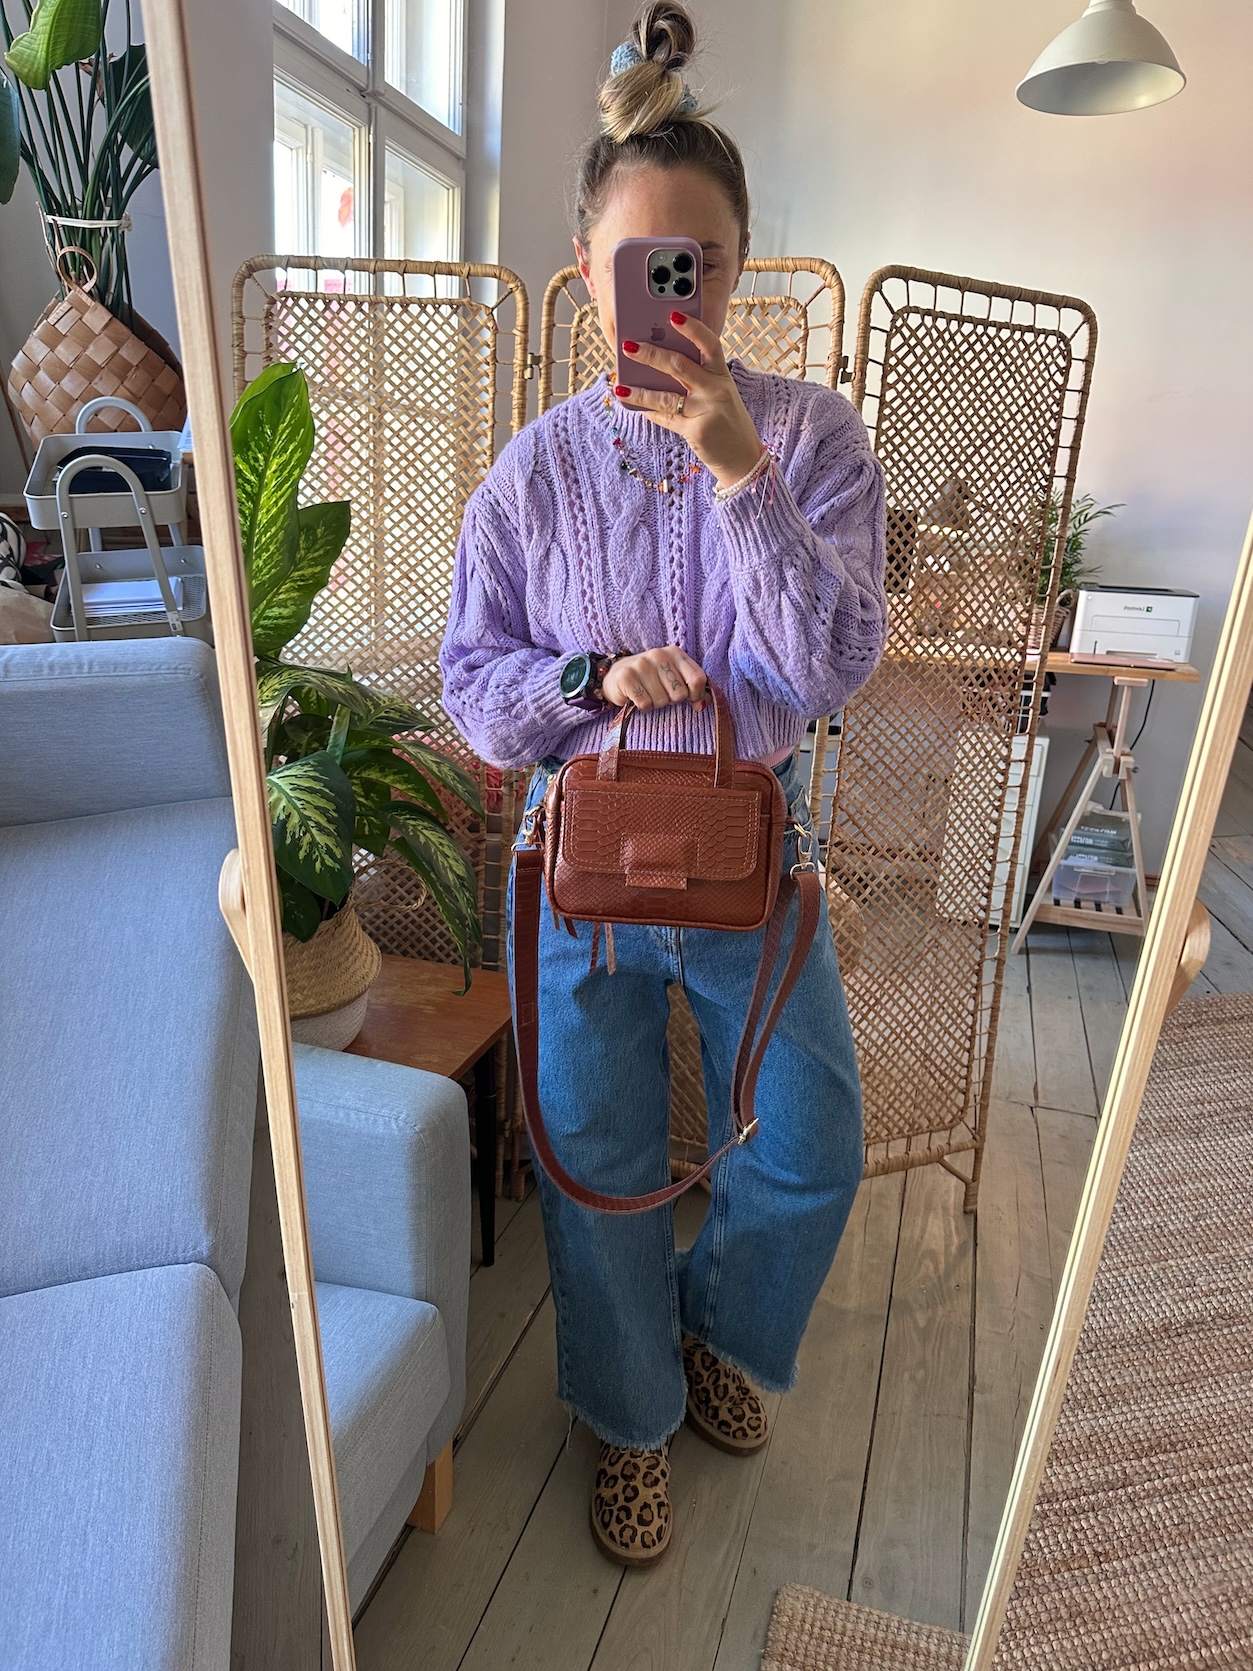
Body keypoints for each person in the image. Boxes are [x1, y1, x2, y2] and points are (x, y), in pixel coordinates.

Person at [440, 1, 888, 1567]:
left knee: (811, 1146)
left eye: (695, 266)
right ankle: (628, 1420)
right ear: (586, 271)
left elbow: (827, 668)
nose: (668, 294)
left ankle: (711, 1333)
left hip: (750, 861)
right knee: (598, 1161)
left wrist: (738, 472)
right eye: (640, 266)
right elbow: (473, 684)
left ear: (737, 270)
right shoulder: (531, 469)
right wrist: (586, 681)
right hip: (582, 870)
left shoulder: (810, 440)